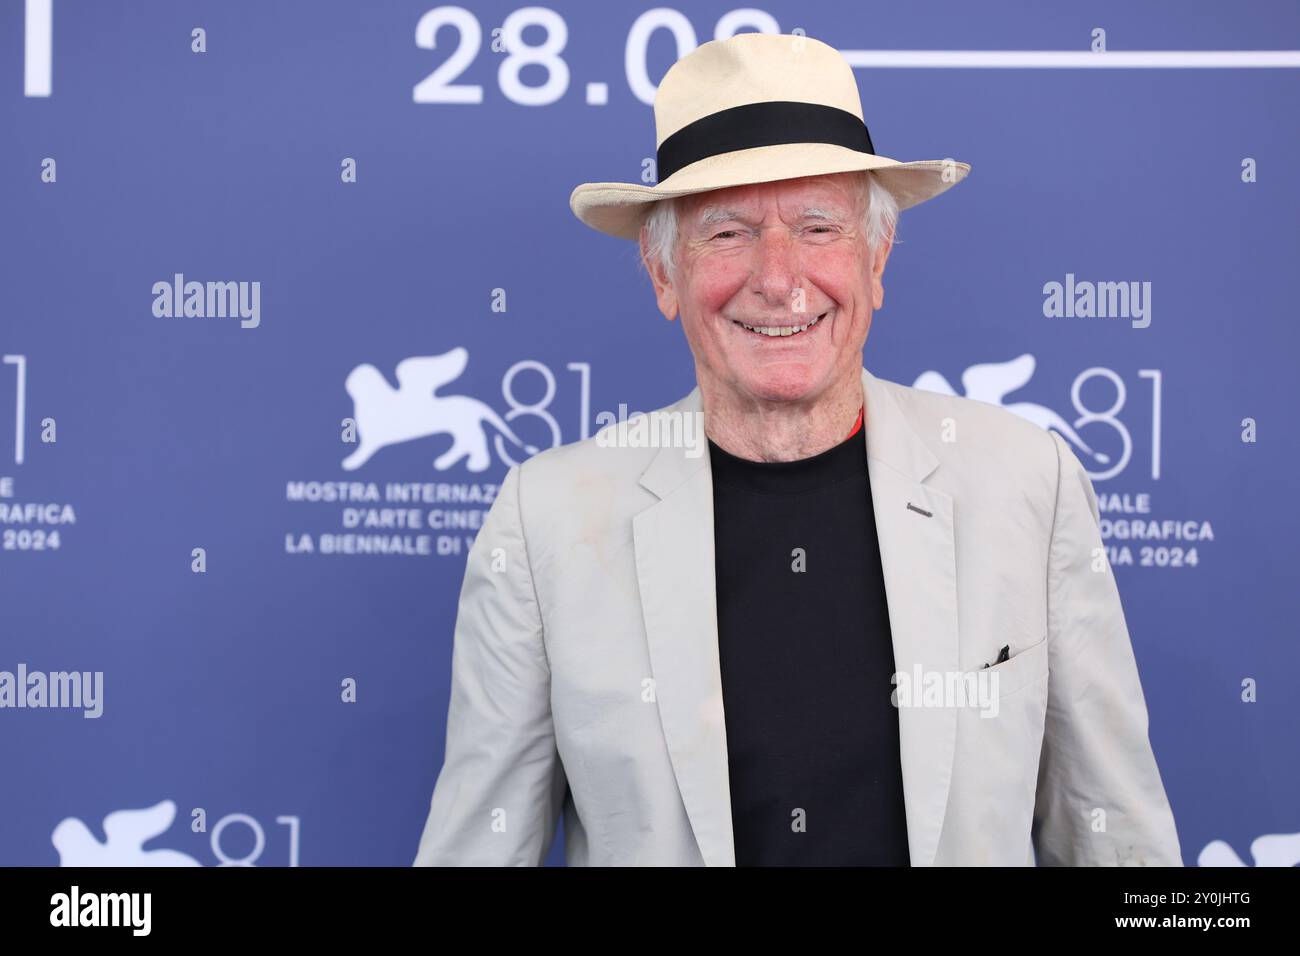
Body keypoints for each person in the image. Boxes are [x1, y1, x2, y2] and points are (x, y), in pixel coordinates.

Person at [413, 31, 1181, 866]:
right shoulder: (547, 521)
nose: (779, 279)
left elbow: (1116, 835)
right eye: (729, 233)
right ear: (663, 272)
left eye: (818, 226)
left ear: (877, 255)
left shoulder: (1027, 483)